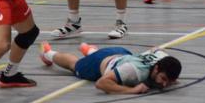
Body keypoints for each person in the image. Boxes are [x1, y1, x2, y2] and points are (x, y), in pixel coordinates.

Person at [40, 41, 181, 93]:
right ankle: (47, 52)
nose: (164, 84)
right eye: (163, 79)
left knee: (104, 59)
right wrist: (131, 90)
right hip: (99, 63)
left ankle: (88, 50)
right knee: (74, 65)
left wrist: (169, 78)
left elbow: (155, 48)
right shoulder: (133, 72)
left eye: (168, 81)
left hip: (121, 53)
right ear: (156, 69)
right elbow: (101, 84)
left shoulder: (162, 60)